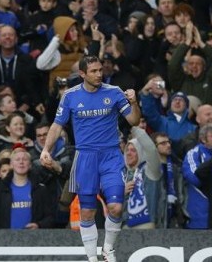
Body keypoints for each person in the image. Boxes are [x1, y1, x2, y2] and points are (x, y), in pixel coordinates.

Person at [40, 56, 141, 262]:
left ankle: (109, 249)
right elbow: (57, 125)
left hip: (111, 156)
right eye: (93, 71)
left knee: (116, 207)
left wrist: (134, 102)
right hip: (85, 157)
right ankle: (91, 258)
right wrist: (46, 150)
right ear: (82, 74)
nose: (99, 74)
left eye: (100, 70)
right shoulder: (70, 96)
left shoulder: (113, 92)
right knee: (87, 212)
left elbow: (134, 120)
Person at [0, 147, 54, 229]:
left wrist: (39, 225)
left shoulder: (40, 190)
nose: (21, 162)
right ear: (11, 165)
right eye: (17, 159)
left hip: (34, 239)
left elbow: (50, 218)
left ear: (30, 165)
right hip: (6, 240)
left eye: (25, 159)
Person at [122, 127, 162, 229]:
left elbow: (152, 150)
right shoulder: (123, 174)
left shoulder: (150, 171)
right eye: (127, 150)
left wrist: (133, 128)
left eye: (133, 150)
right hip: (126, 225)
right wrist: (121, 192)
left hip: (146, 224)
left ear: (141, 152)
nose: (128, 153)